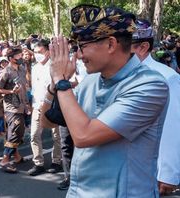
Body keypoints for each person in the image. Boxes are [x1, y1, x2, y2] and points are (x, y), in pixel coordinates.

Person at [41, 5, 169, 197]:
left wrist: (61, 82)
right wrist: (54, 86)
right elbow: (47, 121)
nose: (79, 55)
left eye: (82, 46)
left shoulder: (150, 85)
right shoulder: (90, 82)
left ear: (111, 44)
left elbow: (84, 137)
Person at [131, 19, 180, 196]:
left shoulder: (166, 77)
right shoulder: (118, 75)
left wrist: (168, 173)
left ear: (143, 47)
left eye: (125, 45)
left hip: (151, 168)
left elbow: (172, 127)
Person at [28, 39, 62, 176]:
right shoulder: (35, 68)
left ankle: (57, 161)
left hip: (53, 106)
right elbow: (34, 89)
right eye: (35, 52)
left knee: (57, 136)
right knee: (34, 135)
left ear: (47, 52)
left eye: (40, 52)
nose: (37, 55)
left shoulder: (55, 66)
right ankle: (38, 163)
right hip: (37, 106)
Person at [0, 47, 28, 173]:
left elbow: (24, 87)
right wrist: (10, 91)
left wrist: (27, 104)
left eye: (21, 55)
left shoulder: (22, 69)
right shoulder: (5, 72)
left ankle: (17, 156)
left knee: (17, 131)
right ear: (11, 59)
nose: (21, 58)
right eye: (18, 56)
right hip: (11, 107)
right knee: (15, 132)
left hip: (21, 105)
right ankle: (4, 160)